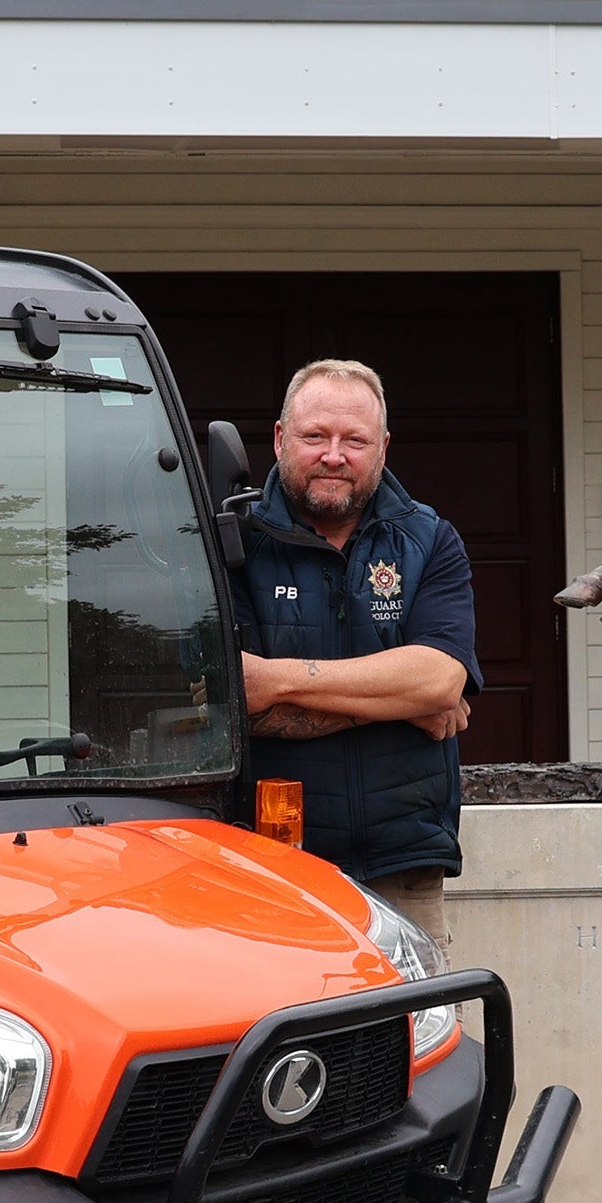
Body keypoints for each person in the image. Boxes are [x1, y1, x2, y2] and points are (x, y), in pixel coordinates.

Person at [234, 358, 481, 948]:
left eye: (355, 440)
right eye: (315, 436)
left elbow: (440, 682)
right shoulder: (231, 542)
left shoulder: (429, 539)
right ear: (279, 438)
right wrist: (399, 700)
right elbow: (234, 694)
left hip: (407, 865)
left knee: (420, 1037)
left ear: (384, 447)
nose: (334, 455)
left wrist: (280, 678)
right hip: (269, 868)